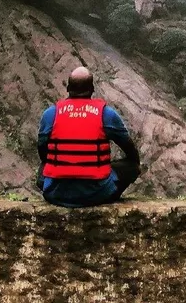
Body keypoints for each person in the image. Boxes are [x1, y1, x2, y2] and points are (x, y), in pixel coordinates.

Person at [36, 66, 142, 208]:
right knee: (132, 167)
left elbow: (42, 149)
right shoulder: (107, 114)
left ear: (68, 88)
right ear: (92, 89)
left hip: (55, 193)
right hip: (97, 194)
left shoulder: (51, 114)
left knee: (44, 166)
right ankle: (102, 191)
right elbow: (130, 150)